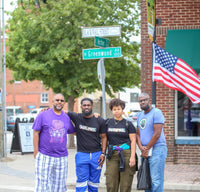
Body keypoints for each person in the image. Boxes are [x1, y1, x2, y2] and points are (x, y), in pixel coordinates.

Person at [32, 93, 75, 192]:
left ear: (64, 103)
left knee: (59, 188)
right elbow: (35, 133)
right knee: (42, 186)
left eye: (61, 100)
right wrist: (36, 152)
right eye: (57, 100)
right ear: (52, 101)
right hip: (44, 155)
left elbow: (74, 131)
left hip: (61, 157)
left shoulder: (66, 117)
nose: (59, 102)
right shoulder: (43, 114)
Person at [67, 97, 107, 192]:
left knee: (94, 182)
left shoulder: (99, 120)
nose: (86, 107)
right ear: (81, 106)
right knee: (81, 182)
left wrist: (103, 153)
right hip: (82, 154)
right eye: (84, 105)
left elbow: (104, 137)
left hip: (97, 155)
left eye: (88, 105)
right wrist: (48, 109)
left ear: (92, 106)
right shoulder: (77, 117)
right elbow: (62, 111)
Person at [136, 92, 167, 192]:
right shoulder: (140, 115)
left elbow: (157, 134)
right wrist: (141, 148)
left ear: (150, 100)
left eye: (145, 100)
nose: (143, 102)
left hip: (157, 149)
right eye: (140, 101)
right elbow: (138, 134)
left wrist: (147, 148)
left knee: (156, 180)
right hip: (145, 150)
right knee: (147, 179)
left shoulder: (156, 112)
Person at [105, 98, 137, 192]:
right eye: (114, 109)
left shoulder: (128, 124)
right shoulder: (107, 123)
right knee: (111, 182)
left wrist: (132, 157)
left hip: (126, 154)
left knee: (126, 184)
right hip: (112, 154)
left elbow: (133, 140)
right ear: (112, 110)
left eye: (118, 109)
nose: (117, 111)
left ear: (122, 109)